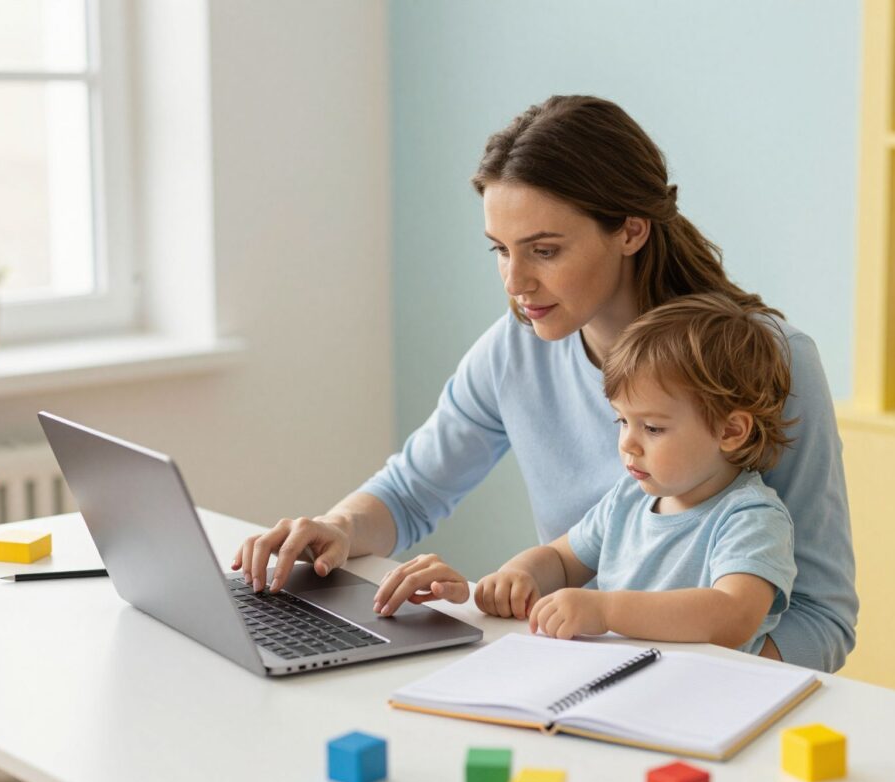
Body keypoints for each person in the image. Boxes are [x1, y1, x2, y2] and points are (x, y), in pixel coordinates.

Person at [233, 94, 858, 671]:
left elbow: (822, 618)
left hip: (694, 696)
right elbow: (410, 492)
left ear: (631, 230)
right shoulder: (515, 348)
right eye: (499, 250)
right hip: (569, 673)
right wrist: (338, 527)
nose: (515, 283)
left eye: (545, 251)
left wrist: (681, 688)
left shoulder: (771, 363)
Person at [396, 293, 798, 651]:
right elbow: (561, 558)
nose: (627, 443)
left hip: (703, 704)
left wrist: (606, 610)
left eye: (653, 428)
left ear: (730, 431)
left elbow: (732, 615)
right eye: (622, 422)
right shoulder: (628, 500)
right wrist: (517, 574)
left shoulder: (750, 516)